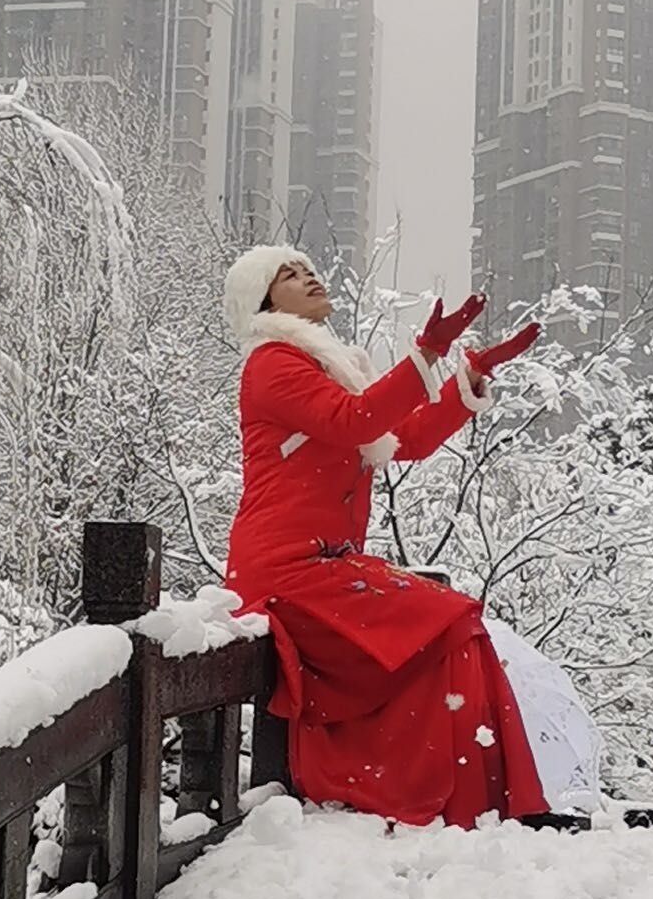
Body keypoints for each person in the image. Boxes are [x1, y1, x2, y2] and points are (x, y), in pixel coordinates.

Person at [220, 245, 563, 828]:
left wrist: (467, 379)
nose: (309, 277)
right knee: (448, 625)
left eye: (308, 268)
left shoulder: (329, 367)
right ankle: (442, 799)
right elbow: (355, 421)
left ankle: (472, 802)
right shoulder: (272, 362)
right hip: (285, 571)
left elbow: (403, 439)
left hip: (328, 565)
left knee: (455, 627)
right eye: (289, 275)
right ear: (264, 300)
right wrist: (425, 354)